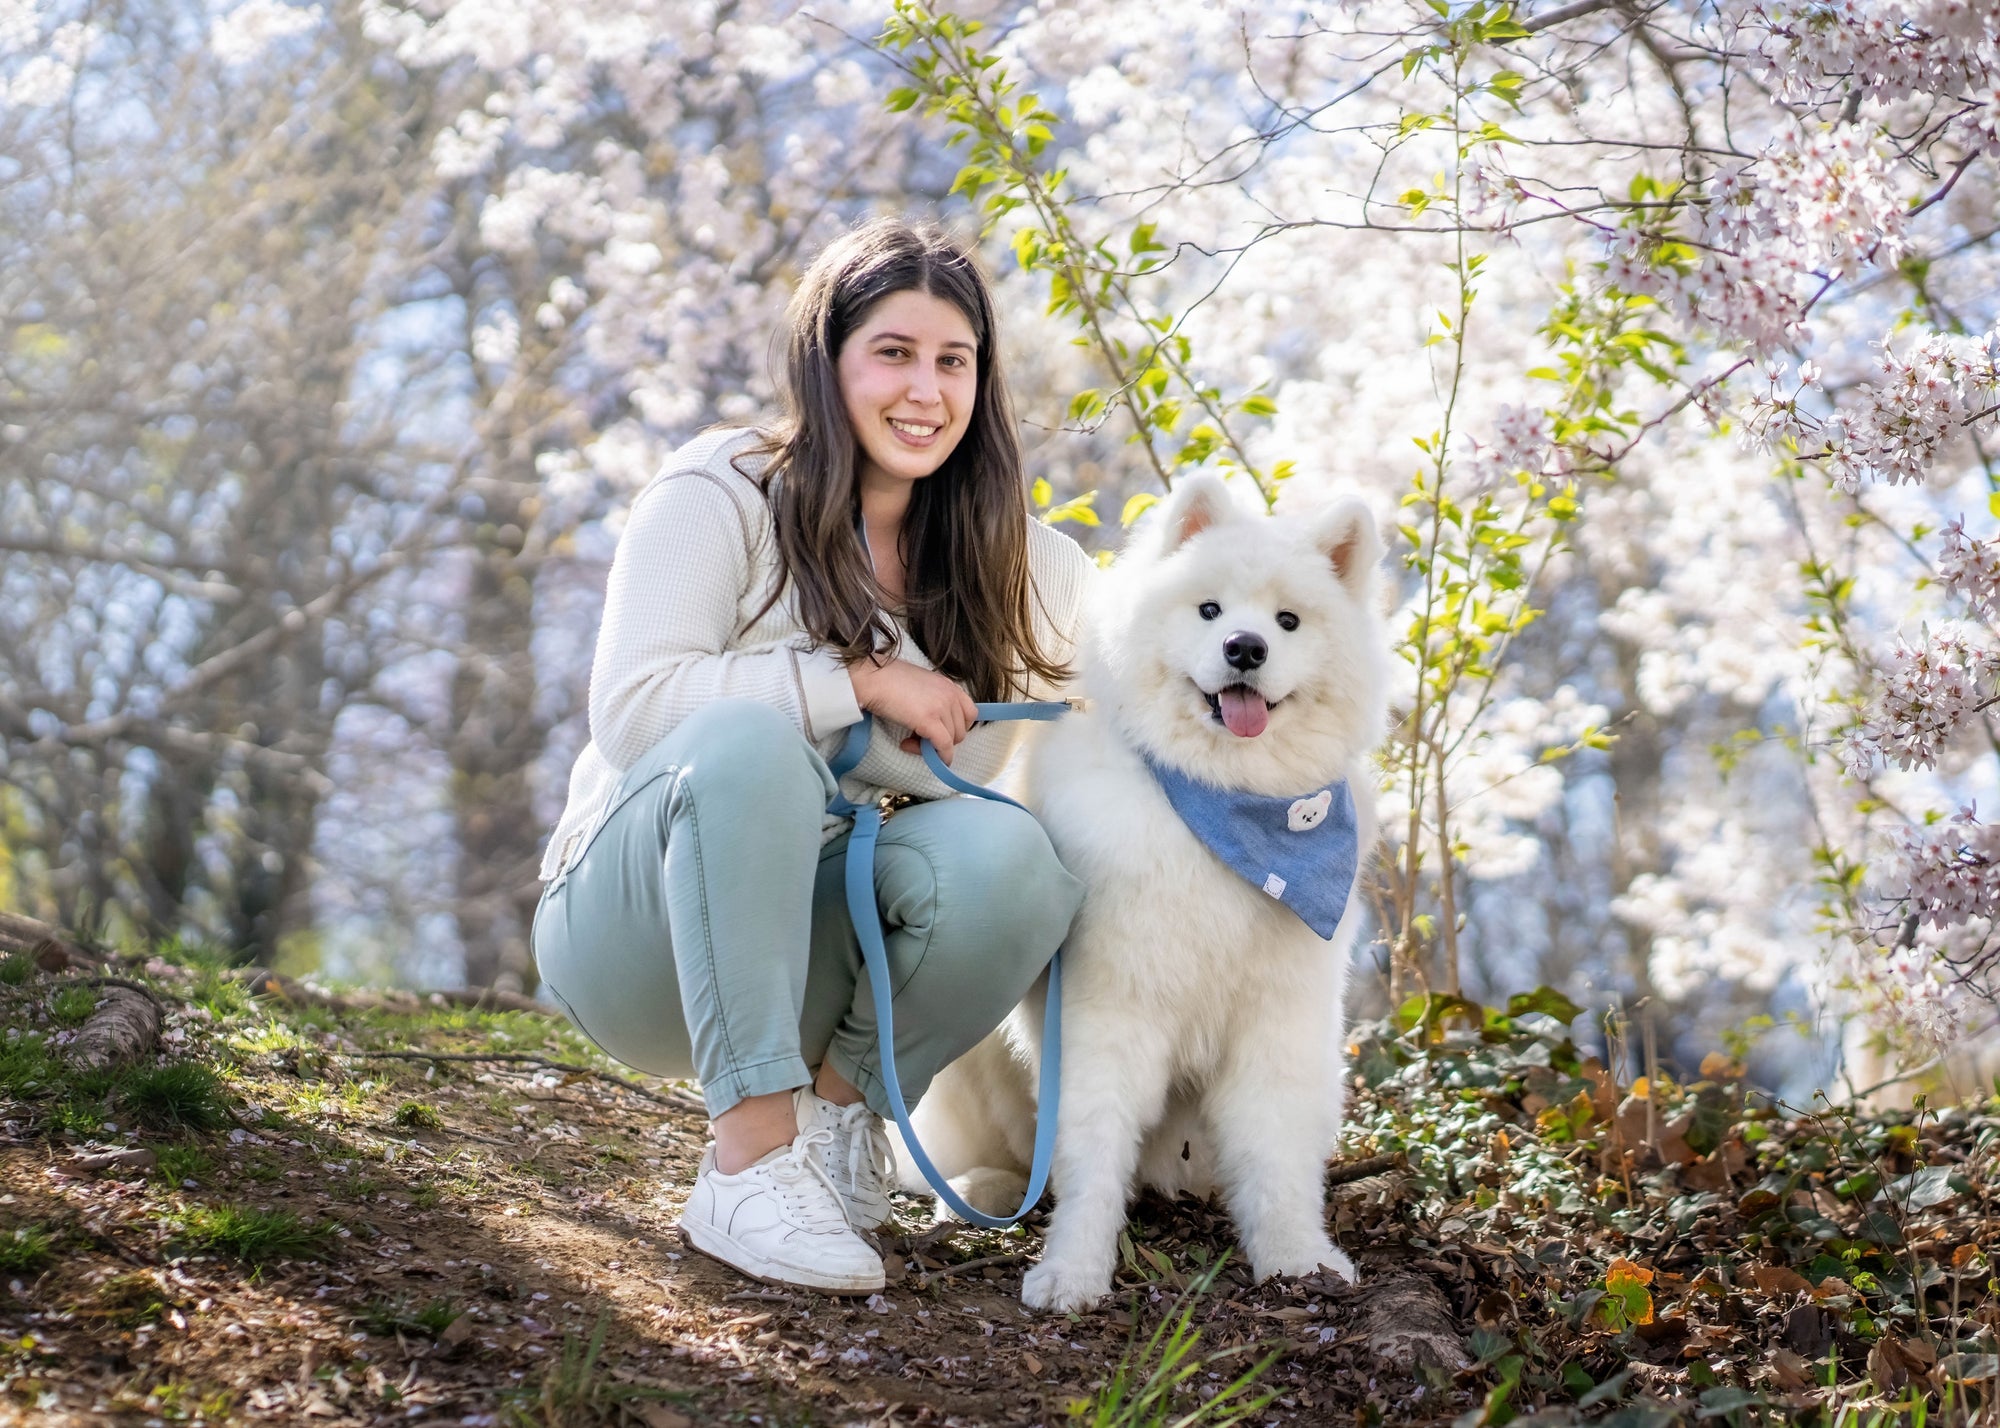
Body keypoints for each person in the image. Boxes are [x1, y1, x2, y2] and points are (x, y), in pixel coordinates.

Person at [530, 217, 1093, 1294]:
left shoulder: (996, 552)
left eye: (952, 360)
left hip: (816, 950)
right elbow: (636, 708)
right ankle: (746, 1160)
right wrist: (861, 684)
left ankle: (837, 1129)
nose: (924, 390)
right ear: (823, 359)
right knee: (749, 741)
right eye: (892, 352)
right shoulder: (722, 491)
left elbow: (1151, 643)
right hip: (634, 929)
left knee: (1012, 856)